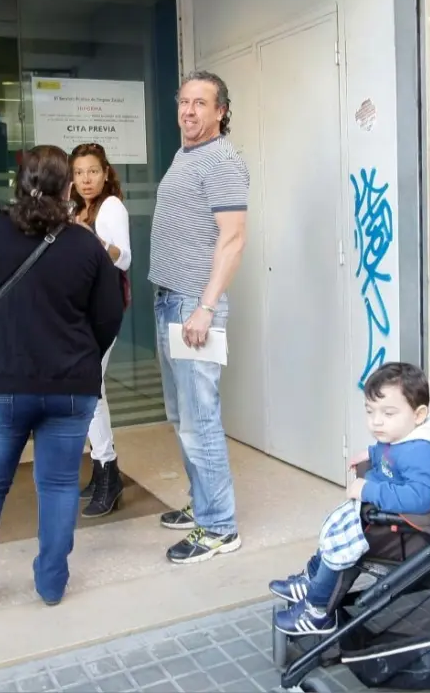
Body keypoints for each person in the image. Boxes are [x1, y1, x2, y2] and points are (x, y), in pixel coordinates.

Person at [0, 145, 123, 618]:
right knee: (59, 486)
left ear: (18, 185)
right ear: (67, 188)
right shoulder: (85, 244)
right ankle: (52, 584)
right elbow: (109, 316)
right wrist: (83, 358)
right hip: (70, 388)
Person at [268, 362, 430, 635]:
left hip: (397, 529)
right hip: (376, 512)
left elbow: (420, 498)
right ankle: (311, 579)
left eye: (388, 413)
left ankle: (318, 611)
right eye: (370, 411)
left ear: (419, 415)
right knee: (334, 534)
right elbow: (389, 452)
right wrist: (371, 454)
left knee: (340, 547)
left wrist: (368, 490)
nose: (376, 421)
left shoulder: (421, 451)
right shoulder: (403, 434)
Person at [148, 70, 250, 564]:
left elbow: (233, 240)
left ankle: (219, 527)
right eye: (184, 101)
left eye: (200, 103)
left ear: (220, 111)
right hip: (171, 300)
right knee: (182, 416)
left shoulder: (223, 161)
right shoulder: (186, 154)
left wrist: (205, 307)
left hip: (193, 304)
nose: (188, 111)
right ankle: (204, 503)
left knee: (200, 420)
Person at [70, 142, 132, 518]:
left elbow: (123, 257)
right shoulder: (77, 209)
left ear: (105, 172)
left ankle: (108, 472)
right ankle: (101, 469)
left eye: (92, 171)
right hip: (81, 312)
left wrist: (90, 239)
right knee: (93, 391)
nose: (86, 179)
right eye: (79, 173)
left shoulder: (111, 207)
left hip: (102, 311)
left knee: (89, 391)